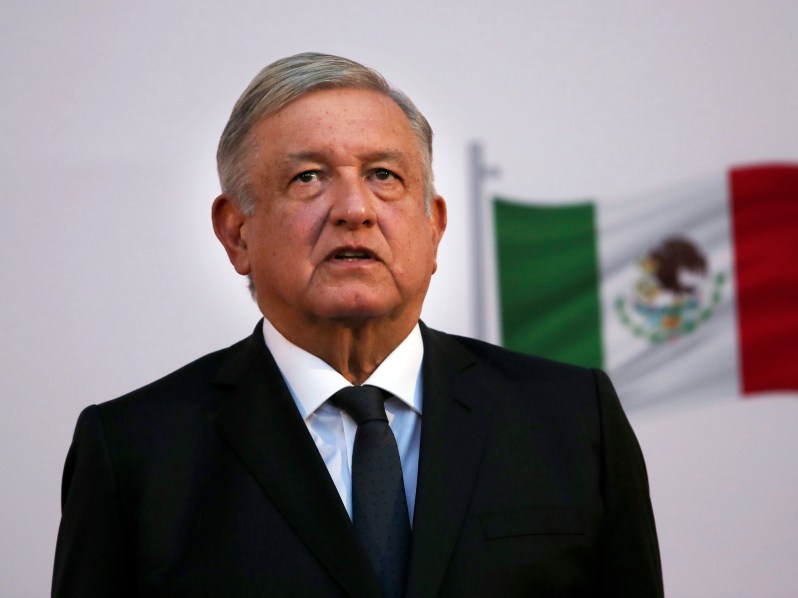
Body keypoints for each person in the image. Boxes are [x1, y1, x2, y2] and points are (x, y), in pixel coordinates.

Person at [52, 52, 663, 597]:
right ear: (237, 233)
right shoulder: (133, 451)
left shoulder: (574, 418)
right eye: (308, 177)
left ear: (434, 228)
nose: (354, 210)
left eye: (384, 176)